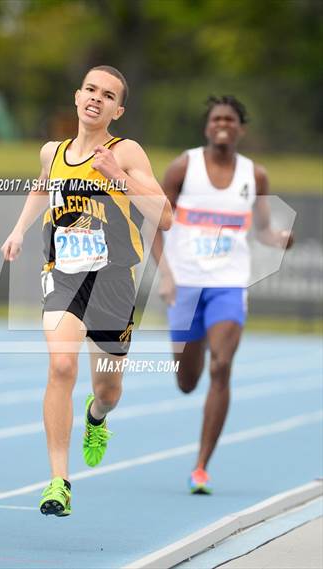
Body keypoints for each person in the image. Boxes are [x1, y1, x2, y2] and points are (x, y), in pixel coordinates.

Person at [1, 65, 172, 516]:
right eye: (91, 89)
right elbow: (43, 186)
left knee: (108, 389)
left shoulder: (126, 151)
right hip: (64, 274)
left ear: (118, 110)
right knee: (60, 366)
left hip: (113, 281)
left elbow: (166, 215)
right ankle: (59, 482)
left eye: (108, 94)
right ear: (78, 97)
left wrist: (117, 174)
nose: (97, 98)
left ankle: (96, 418)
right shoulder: (51, 152)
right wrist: (20, 229)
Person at [152, 95, 294, 494]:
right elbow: (154, 225)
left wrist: (279, 238)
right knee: (187, 380)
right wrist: (165, 276)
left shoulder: (255, 175)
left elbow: (263, 229)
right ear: (206, 127)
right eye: (217, 118)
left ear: (241, 129)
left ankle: (200, 466)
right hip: (185, 284)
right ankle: (190, 377)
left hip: (229, 283)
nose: (223, 125)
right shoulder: (184, 167)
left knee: (222, 366)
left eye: (231, 119)